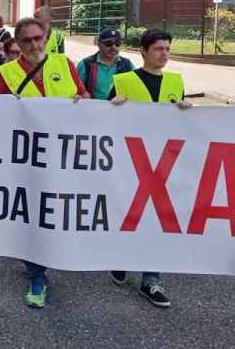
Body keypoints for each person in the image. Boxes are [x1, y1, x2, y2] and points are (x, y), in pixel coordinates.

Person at [0, 17, 87, 308]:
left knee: (58, 209)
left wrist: (85, 102)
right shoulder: (5, 72)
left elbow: (83, 94)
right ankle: (37, 273)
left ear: (46, 37)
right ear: (17, 44)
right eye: (27, 40)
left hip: (65, 154)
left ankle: (48, 257)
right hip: (28, 158)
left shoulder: (65, 64)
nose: (34, 44)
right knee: (32, 213)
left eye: (38, 38)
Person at [108, 29, 190, 308]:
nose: (164, 54)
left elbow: (183, 123)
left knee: (158, 219)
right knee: (129, 214)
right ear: (144, 51)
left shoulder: (176, 81)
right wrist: (111, 107)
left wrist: (186, 109)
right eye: (158, 49)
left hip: (163, 162)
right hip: (130, 161)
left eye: (167, 48)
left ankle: (152, 280)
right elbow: (101, 118)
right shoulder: (123, 80)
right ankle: (120, 257)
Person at [77, 28, 134, 101]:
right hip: (92, 110)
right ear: (99, 44)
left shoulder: (128, 64)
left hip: (119, 109)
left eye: (117, 43)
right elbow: (75, 89)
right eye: (108, 43)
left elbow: (135, 89)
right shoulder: (85, 64)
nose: (113, 47)